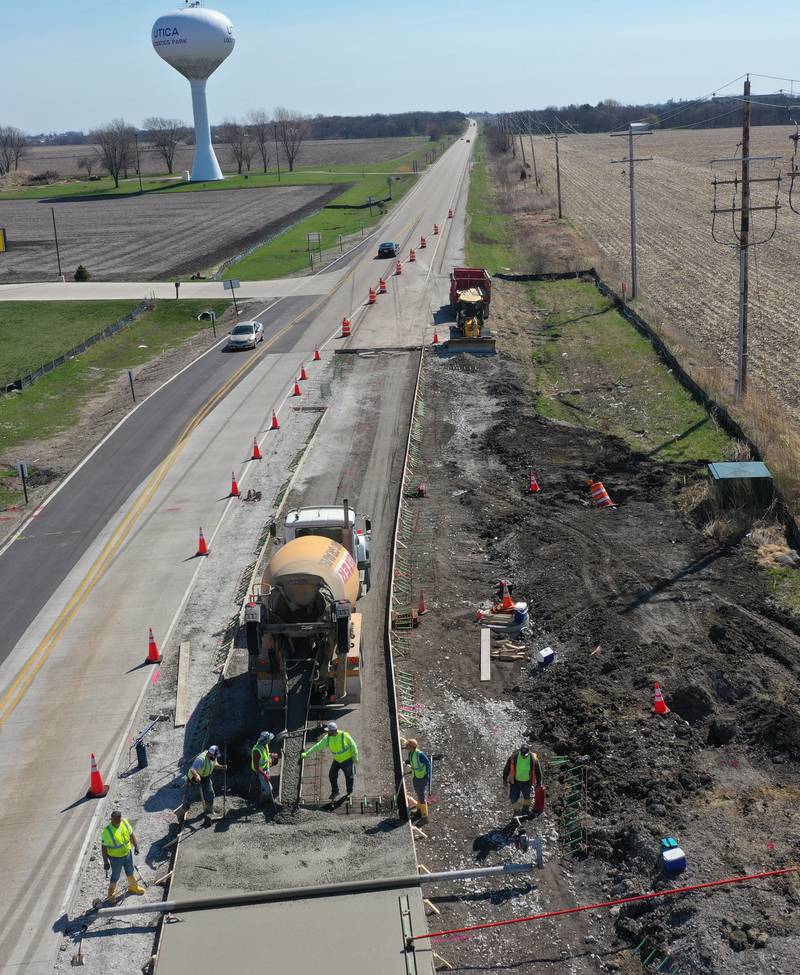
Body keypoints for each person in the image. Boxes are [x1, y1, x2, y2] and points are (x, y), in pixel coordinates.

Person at [301, 722, 359, 800]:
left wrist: (355, 757)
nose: (327, 732)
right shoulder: (328, 738)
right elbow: (318, 746)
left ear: (333, 730)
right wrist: (307, 753)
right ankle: (335, 791)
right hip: (337, 760)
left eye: (328, 731)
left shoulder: (344, 735)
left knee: (349, 777)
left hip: (347, 761)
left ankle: (349, 792)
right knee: (332, 775)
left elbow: (353, 746)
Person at [101, 810, 145, 902]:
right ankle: (111, 894)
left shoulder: (124, 822)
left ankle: (133, 887)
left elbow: (131, 834)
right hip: (115, 858)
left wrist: (136, 846)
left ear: (121, 817)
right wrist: (105, 862)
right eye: (115, 819)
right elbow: (104, 848)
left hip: (127, 853)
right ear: (111, 819)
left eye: (118, 818)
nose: (117, 821)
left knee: (130, 871)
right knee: (115, 875)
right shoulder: (107, 831)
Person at [177, 745, 226, 826]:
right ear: (210, 754)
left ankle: (209, 812)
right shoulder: (201, 759)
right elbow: (193, 769)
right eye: (215, 755)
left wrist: (222, 767)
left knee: (210, 794)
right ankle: (180, 813)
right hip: (195, 781)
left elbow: (214, 764)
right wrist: (197, 776)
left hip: (206, 779)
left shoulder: (213, 757)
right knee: (190, 799)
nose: (216, 757)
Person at [502, 745, 543, 815]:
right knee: (513, 798)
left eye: (526, 755)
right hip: (515, 782)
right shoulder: (514, 757)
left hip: (527, 782)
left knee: (527, 797)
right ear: (520, 752)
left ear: (529, 752)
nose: (524, 756)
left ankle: (525, 810)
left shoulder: (533, 758)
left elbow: (538, 771)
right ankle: (516, 811)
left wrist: (539, 783)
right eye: (523, 754)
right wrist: (504, 778)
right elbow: (507, 767)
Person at [404, 738, 432, 821]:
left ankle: (424, 815)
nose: (406, 747)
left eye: (407, 746)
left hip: (422, 777)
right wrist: (408, 762)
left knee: (421, 795)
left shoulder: (420, 754)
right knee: (418, 792)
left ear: (412, 746)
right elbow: (413, 762)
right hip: (415, 776)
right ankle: (419, 810)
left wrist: (428, 775)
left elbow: (428, 764)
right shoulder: (411, 753)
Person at [251, 731, 277, 808]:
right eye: (269, 739)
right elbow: (256, 767)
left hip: (266, 767)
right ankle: (262, 803)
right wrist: (265, 774)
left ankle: (266, 797)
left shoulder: (265, 745)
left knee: (267, 785)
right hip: (260, 771)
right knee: (269, 789)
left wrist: (271, 755)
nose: (270, 741)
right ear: (265, 740)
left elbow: (265, 755)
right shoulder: (256, 751)